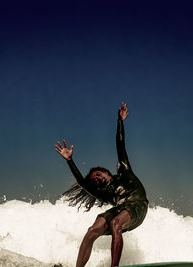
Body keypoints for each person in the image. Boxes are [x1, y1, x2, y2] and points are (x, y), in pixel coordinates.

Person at [54, 102, 148, 267]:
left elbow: (120, 144)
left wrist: (120, 121)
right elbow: (83, 183)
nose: (96, 179)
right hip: (121, 210)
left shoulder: (124, 171)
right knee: (92, 231)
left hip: (137, 205)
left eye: (98, 174)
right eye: (94, 180)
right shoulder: (104, 193)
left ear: (106, 172)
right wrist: (70, 161)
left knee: (115, 223)